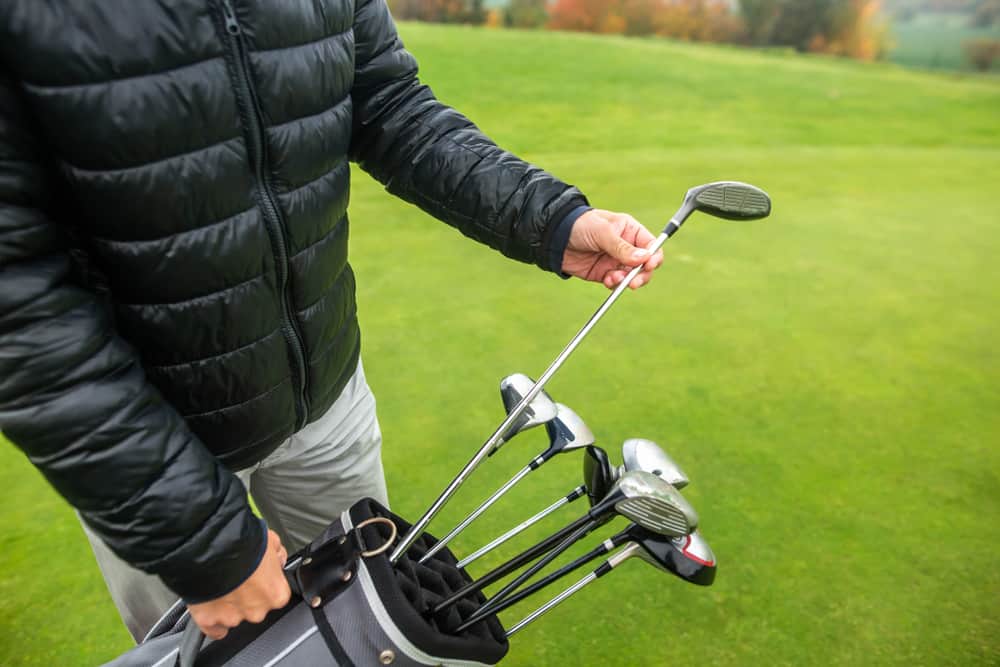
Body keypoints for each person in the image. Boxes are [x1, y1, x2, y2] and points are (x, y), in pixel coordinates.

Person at [0, 0, 664, 643]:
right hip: (158, 444)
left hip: (326, 399)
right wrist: (199, 539)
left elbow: (390, 108)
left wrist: (550, 218)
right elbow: (18, 302)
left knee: (373, 622)